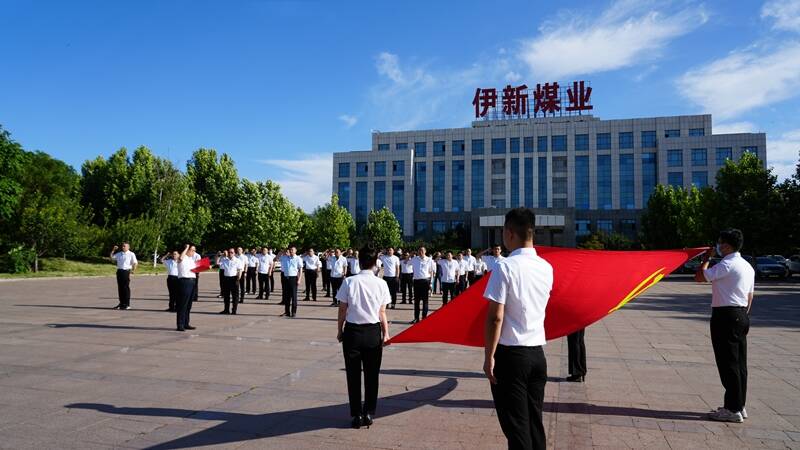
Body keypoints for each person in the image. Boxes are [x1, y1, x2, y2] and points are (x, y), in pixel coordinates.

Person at [483, 208, 553, 449]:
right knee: (534, 424)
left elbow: (495, 317)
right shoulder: (546, 267)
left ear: (510, 233)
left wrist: (489, 357)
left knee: (517, 430)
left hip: (511, 356)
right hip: (537, 355)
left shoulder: (505, 267)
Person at [695, 229, 755, 423]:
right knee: (739, 364)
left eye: (720, 243)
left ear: (727, 245)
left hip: (726, 316)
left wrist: (706, 258)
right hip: (741, 314)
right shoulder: (747, 266)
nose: (718, 246)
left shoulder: (727, 264)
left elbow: (700, 276)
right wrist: (741, 316)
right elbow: (750, 296)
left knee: (728, 363)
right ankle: (739, 405)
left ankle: (732, 409)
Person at [335, 246, 391, 429]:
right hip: (373, 332)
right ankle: (368, 412)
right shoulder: (381, 284)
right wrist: (386, 333)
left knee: (353, 375)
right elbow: (382, 312)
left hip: (352, 332)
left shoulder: (349, 281)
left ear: (359, 262)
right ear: (375, 263)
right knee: (372, 374)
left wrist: (340, 330)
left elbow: (342, 310)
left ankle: (357, 414)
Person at [175, 244, 199, 332]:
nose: (194, 252)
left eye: (194, 250)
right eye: (192, 250)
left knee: (189, 305)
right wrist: (186, 247)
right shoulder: (182, 257)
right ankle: (180, 324)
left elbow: (195, 269)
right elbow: (180, 258)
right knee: (183, 304)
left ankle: (186, 323)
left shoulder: (191, 260)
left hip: (192, 281)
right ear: (187, 250)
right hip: (184, 281)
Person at [411, 247, 436, 324]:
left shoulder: (429, 260)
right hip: (416, 281)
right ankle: (416, 318)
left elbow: (432, 272)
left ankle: (424, 317)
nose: (420, 252)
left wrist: (431, 283)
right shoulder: (414, 259)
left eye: (422, 250)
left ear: (425, 251)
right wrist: (409, 256)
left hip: (425, 281)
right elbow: (406, 263)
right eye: (419, 250)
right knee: (416, 301)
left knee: (425, 301)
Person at [109, 242, 138, 310]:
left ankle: (127, 304)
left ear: (128, 247)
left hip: (126, 271)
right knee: (120, 288)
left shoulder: (131, 254)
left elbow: (135, 263)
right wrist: (113, 250)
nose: (123, 247)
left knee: (125, 288)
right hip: (119, 271)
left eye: (124, 246)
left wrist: (133, 270)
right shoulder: (119, 254)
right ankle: (121, 303)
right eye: (122, 246)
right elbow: (111, 258)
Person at [280, 246, 303, 317]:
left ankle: (293, 312)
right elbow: (276, 259)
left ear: (296, 251)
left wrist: (299, 279)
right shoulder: (285, 257)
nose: (291, 251)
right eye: (290, 250)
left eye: (292, 250)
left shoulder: (298, 258)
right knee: (287, 296)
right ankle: (287, 312)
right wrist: (282, 251)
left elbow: (300, 269)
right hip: (286, 278)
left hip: (293, 278)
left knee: (293, 296)